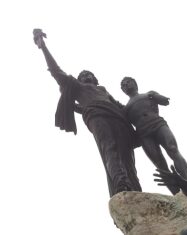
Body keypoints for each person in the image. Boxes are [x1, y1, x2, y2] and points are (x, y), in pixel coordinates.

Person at [33, 29, 141, 197]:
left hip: (118, 118)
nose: (86, 75)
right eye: (83, 75)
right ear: (79, 79)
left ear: (95, 77)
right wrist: (43, 47)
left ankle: (136, 188)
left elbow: (122, 107)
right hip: (97, 117)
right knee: (109, 149)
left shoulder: (102, 89)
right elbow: (56, 71)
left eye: (89, 74)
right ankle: (121, 183)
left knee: (127, 156)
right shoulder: (77, 87)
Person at [121, 76, 187, 194]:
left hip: (158, 124)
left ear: (135, 83)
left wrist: (155, 96)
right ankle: (176, 192)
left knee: (172, 149)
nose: (126, 85)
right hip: (143, 134)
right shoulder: (125, 109)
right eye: (123, 85)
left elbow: (165, 101)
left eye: (128, 82)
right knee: (160, 163)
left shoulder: (148, 94)